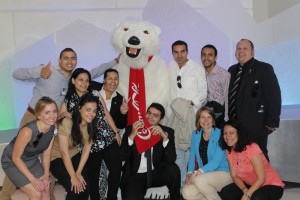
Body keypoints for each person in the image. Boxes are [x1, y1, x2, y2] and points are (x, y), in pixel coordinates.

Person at [1, 47, 119, 200]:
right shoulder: (47, 71)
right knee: (20, 155)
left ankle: (48, 196)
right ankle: (5, 195)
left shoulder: (73, 84)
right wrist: (39, 72)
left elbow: (95, 72)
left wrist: (115, 61)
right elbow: (16, 73)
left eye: (73, 58)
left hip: (52, 122)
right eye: (66, 58)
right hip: (33, 117)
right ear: (59, 60)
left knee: (48, 162)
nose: (70, 61)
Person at [59, 68, 122, 200]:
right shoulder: (68, 100)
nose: (84, 83)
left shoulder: (94, 93)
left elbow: (105, 113)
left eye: (87, 80)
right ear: (73, 81)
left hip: (107, 136)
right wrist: (63, 115)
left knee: (116, 169)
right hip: (88, 141)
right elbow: (60, 118)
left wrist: (115, 131)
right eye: (81, 80)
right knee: (94, 175)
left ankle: (112, 197)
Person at [227, 39, 281, 159]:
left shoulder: (264, 69)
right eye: (238, 49)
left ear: (253, 52)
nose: (241, 51)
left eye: (245, 48)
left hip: (256, 124)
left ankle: (266, 179)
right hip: (235, 125)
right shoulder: (231, 70)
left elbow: (273, 96)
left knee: (259, 159)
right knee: (241, 160)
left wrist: (272, 121)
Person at [119, 103, 181, 200]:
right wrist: (132, 135)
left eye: (155, 115)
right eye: (149, 113)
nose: (151, 117)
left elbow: (171, 159)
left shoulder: (167, 131)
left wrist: (164, 138)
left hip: (156, 172)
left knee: (174, 170)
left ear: (161, 120)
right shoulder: (132, 128)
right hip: (136, 175)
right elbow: (122, 156)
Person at [1, 97, 58, 200]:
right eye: (47, 112)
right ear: (39, 115)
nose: (52, 116)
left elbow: (46, 154)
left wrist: (46, 174)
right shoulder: (28, 131)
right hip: (12, 161)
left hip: (31, 159)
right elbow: (16, 158)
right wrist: (33, 180)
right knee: (36, 193)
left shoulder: (53, 128)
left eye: (54, 111)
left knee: (45, 190)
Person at [167, 40, 207, 186]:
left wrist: (189, 103)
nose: (179, 55)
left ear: (187, 51)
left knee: (193, 152)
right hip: (175, 117)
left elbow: (203, 91)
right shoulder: (170, 66)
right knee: (177, 153)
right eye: (176, 52)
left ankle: (195, 185)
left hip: (193, 116)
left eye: (182, 51)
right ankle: (182, 186)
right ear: (172, 53)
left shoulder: (196, 68)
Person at [219, 120, 284, 200]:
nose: (227, 136)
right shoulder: (229, 151)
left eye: (231, 133)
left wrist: (247, 194)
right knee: (226, 192)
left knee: (256, 198)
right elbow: (234, 175)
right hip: (250, 184)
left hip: (270, 184)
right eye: (225, 133)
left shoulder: (252, 148)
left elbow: (262, 178)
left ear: (239, 134)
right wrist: (245, 190)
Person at [50, 94, 98, 200]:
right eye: (88, 110)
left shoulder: (93, 125)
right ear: (79, 109)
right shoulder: (68, 122)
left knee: (85, 188)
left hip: (73, 153)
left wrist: (78, 173)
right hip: (56, 156)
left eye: (94, 111)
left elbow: (86, 150)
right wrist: (73, 176)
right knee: (74, 188)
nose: (91, 114)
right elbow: (63, 151)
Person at [181, 107, 232, 200]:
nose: (206, 120)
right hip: (205, 175)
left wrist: (196, 172)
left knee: (199, 180)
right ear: (198, 120)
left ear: (213, 120)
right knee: (186, 192)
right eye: (202, 117)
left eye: (209, 117)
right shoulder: (195, 134)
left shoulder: (220, 134)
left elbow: (216, 162)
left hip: (223, 172)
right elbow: (192, 156)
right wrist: (189, 173)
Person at [201, 44, 230, 128]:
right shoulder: (198, 73)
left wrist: (226, 118)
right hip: (203, 117)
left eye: (210, 55)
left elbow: (227, 97)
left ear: (216, 57)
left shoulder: (224, 74)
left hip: (219, 116)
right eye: (204, 55)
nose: (206, 58)